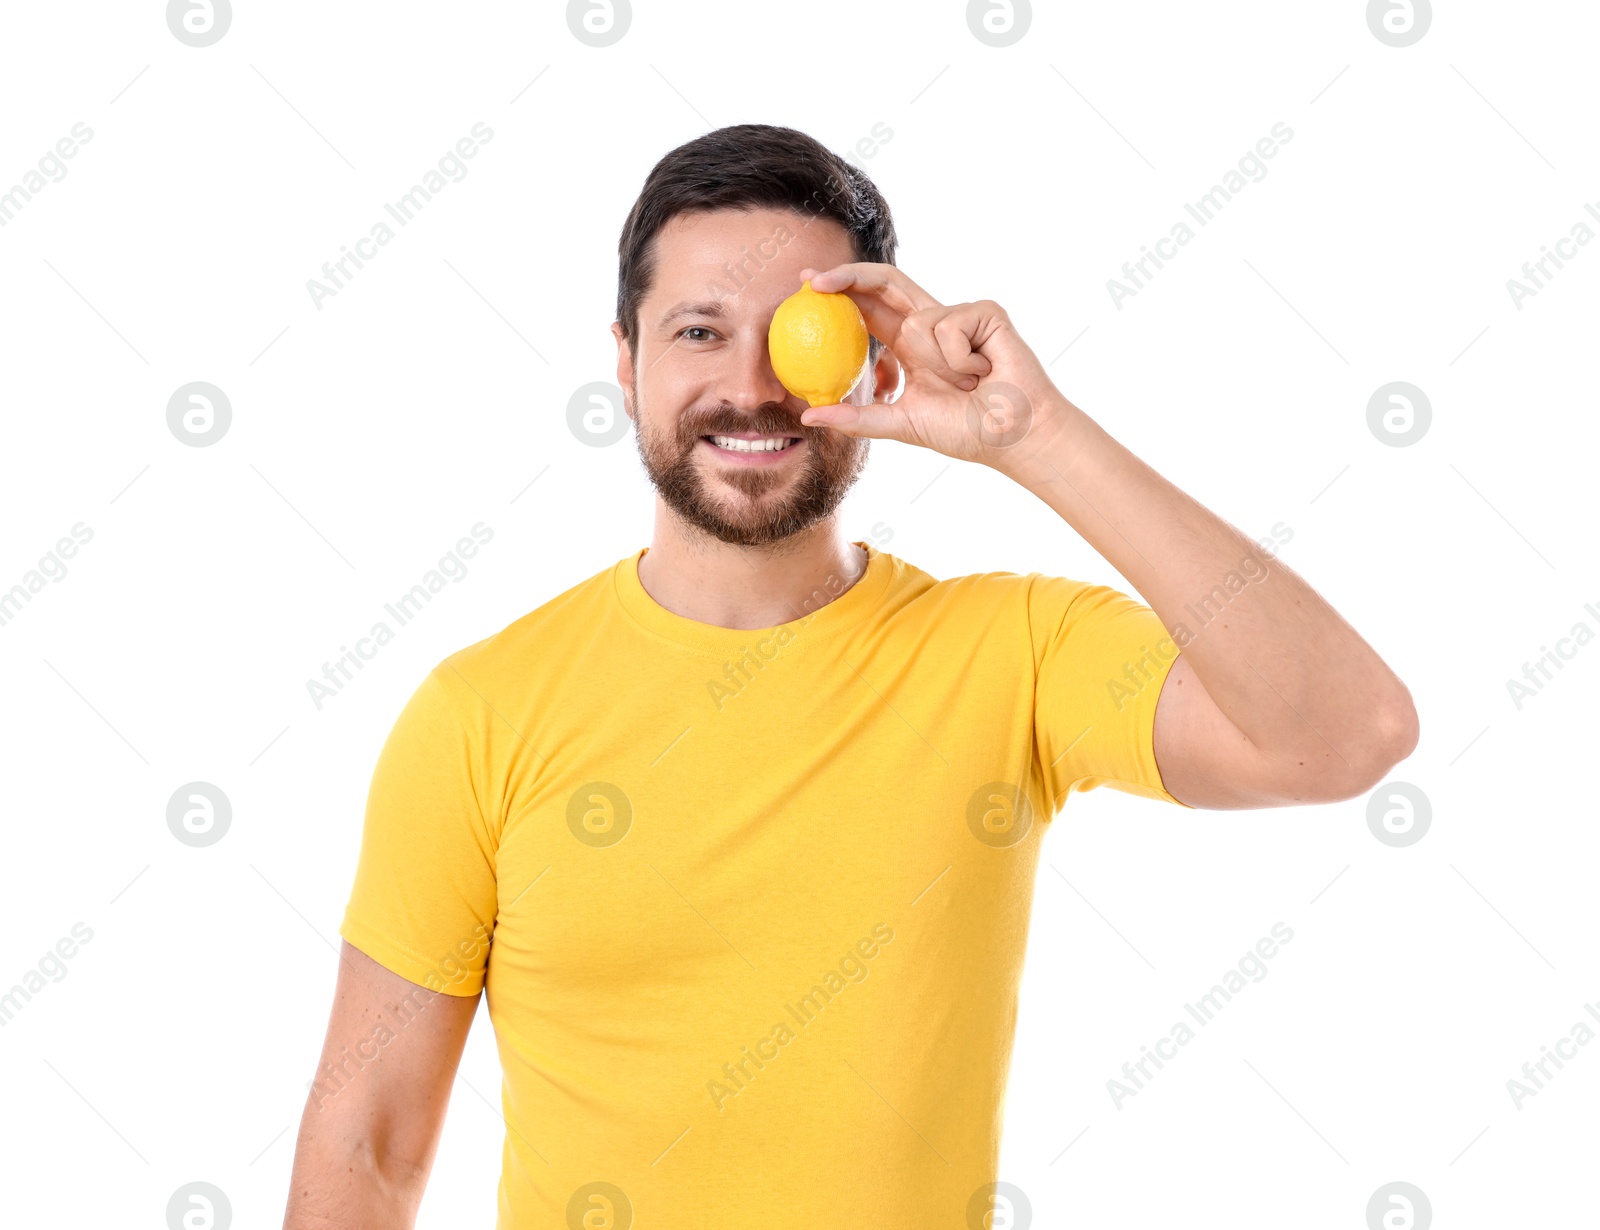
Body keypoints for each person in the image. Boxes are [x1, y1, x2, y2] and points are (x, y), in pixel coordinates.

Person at [281, 123, 1417, 1229]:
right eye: (696, 332)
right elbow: (366, 1145)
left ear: (873, 357)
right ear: (623, 363)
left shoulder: (1011, 654)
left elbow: (1345, 731)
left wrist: (1034, 433)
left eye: (796, 335)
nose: (752, 386)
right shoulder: (477, 714)